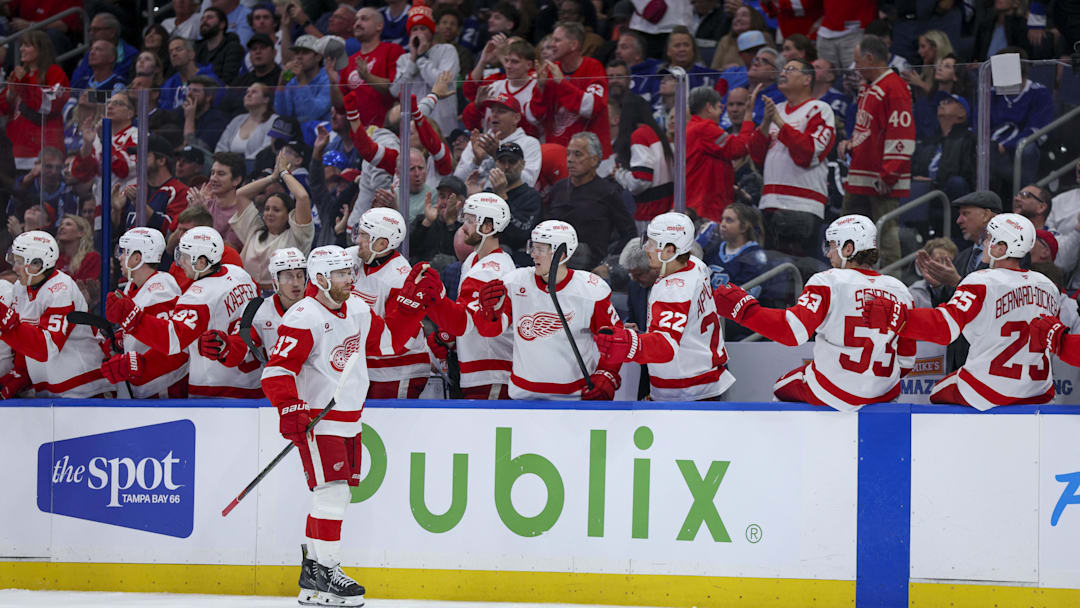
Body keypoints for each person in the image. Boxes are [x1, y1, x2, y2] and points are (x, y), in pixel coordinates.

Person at [260, 244, 432, 607]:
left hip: (350, 419)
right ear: (321, 279)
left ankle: (312, 576)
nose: (350, 279)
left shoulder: (356, 308)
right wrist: (290, 408)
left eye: (349, 272)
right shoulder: (303, 316)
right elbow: (276, 371)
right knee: (333, 494)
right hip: (319, 420)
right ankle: (330, 569)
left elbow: (387, 343)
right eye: (341, 275)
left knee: (329, 495)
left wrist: (411, 309)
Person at [714, 215, 917, 411]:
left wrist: (743, 309)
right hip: (885, 394)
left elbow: (792, 331)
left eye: (832, 246)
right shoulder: (900, 290)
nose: (828, 254)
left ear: (849, 248)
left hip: (833, 392)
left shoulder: (828, 281)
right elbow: (906, 361)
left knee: (781, 388)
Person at [864, 213, 1058, 408]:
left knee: (936, 392)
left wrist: (894, 315)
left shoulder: (981, 281)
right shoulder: (1048, 286)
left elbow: (944, 328)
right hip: (1039, 390)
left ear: (1001, 248)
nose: (984, 243)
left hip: (991, 389)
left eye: (989, 238)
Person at [469, 220, 623, 399]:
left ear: (562, 253)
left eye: (540, 249)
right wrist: (488, 313)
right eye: (532, 247)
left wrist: (607, 374)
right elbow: (490, 331)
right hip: (523, 397)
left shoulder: (590, 290)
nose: (533, 255)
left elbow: (615, 340)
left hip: (574, 400)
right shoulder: (514, 283)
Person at [105, 226, 263, 398]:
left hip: (217, 390)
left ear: (202, 262)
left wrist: (132, 318)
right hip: (253, 384)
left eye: (185, 257)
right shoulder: (240, 275)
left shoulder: (199, 296)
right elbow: (254, 317)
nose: (179, 263)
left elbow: (173, 339)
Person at [596, 212, 734, 401]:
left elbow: (666, 345)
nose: (646, 248)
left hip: (686, 390)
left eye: (652, 243)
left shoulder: (674, 290)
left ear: (670, 250)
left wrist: (629, 343)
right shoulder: (695, 264)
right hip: (701, 377)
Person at [424, 193, 517, 399]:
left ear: (488, 227)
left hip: (490, 373)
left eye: (469, 220)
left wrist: (434, 300)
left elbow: (464, 322)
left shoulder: (489, 271)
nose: (463, 226)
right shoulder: (475, 259)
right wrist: (448, 337)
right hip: (479, 369)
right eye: (464, 219)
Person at [0, 231, 112, 399]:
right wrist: (15, 378)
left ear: (37, 264)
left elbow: (46, 348)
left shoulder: (61, 289)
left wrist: (5, 319)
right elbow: (23, 344)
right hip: (49, 391)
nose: (14, 268)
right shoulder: (20, 288)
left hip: (84, 390)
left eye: (19, 262)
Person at [749, 59, 836, 258]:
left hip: (801, 206)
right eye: (783, 69)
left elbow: (808, 153)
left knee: (796, 272)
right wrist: (765, 124)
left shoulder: (819, 109)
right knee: (773, 275)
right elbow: (757, 157)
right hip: (769, 203)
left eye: (791, 69)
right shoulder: (776, 109)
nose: (783, 73)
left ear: (807, 78)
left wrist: (779, 123)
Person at [840, 35, 914, 269]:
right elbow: (867, 127)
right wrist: (851, 142)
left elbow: (902, 134)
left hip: (881, 179)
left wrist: (889, 174)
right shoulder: (869, 86)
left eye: (857, 61)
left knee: (886, 237)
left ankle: (894, 287)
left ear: (870, 58)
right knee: (847, 232)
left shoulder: (895, 87)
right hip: (861, 173)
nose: (855, 67)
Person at [349, 208, 432, 399]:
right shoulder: (352, 258)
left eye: (364, 235)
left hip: (398, 370)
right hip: (366, 367)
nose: (357, 241)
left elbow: (391, 340)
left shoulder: (400, 278)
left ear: (381, 243)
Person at [100, 228, 189, 398]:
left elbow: (175, 345)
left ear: (137, 258)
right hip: (144, 385)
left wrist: (137, 364)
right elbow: (142, 329)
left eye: (125, 252)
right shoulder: (132, 285)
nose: (120, 257)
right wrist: (121, 339)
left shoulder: (161, 290)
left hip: (167, 385)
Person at [199, 247, 306, 367]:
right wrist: (224, 346)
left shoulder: (319, 307)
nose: (296, 283)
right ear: (275, 280)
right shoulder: (258, 311)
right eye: (289, 277)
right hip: (282, 383)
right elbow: (240, 344)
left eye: (300, 275)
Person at [544, 132, 637, 270]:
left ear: (594, 160)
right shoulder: (558, 189)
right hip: (554, 261)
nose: (570, 159)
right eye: (568, 154)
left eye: (577, 154)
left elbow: (629, 234)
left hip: (589, 267)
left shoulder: (609, 192)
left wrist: (608, 264)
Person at [228, 150, 316, 290]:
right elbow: (240, 195)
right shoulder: (254, 230)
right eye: (267, 208)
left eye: (276, 210)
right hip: (248, 294)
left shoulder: (298, 236)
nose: (269, 213)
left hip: (283, 297)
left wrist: (284, 173)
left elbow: (303, 197)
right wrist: (272, 177)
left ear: (289, 215)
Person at [532, 22, 612, 169]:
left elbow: (592, 107)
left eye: (557, 40)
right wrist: (541, 87)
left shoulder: (593, 67)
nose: (552, 44)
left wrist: (562, 83)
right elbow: (536, 116)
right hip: (557, 155)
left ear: (574, 45)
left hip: (591, 159)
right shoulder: (549, 71)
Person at [685, 85, 755, 222]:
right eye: (719, 107)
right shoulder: (704, 128)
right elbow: (739, 148)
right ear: (709, 107)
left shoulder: (691, 128)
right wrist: (748, 115)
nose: (721, 113)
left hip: (697, 205)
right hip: (704, 209)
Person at [2, 32, 69, 172]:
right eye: (21, 45)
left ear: (41, 49)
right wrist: (10, 94)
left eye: (27, 45)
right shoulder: (18, 75)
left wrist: (23, 83)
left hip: (43, 156)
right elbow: (3, 108)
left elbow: (48, 106)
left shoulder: (55, 73)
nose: (21, 49)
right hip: (15, 152)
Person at [390, 6, 461, 134]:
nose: (418, 33)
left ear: (432, 32)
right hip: (415, 131)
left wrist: (421, 58)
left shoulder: (447, 50)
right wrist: (412, 61)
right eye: (414, 29)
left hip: (444, 129)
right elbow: (395, 91)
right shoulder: (404, 59)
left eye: (423, 29)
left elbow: (440, 84)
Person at [454, 93, 542, 188]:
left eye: (501, 111)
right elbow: (456, 182)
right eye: (492, 111)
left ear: (516, 118)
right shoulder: (479, 141)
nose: (494, 115)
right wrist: (476, 161)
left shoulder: (529, 143)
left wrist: (498, 157)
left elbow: (528, 182)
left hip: (506, 201)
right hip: (474, 200)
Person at [336, 7, 404, 129]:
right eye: (356, 20)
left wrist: (367, 77)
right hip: (360, 135)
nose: (357, 24)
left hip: (388, 132)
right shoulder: (349, 61)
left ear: (379, 26)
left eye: (364, 19)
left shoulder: (393, 50)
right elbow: (340, 107)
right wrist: (332, 82)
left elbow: (396, 89)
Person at [613, 95, 674, 227]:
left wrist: (619, 174)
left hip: (650, 215)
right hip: (667, 211)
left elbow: (641, 181)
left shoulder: (639, 135)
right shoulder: (660, 135)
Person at [187, 152, 247, 250]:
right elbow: (171, 247)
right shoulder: (204, 203)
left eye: (221, 174)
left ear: (236, 180)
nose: (213, 179)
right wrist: (190, 212)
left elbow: (230, 251)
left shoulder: (242, 214)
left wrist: (202, 216)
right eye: (212, 173)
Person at [276, 35, 332, 124]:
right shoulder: (293, 81)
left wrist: (302, 81)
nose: (299, 57)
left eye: (305, 52)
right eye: (297, 53)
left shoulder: (329, 79)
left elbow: (312, 114)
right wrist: (281, 85)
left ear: (318, 57)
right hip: (297, 133)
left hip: (322, 132)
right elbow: (282, 114)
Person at [196, 6, 246, 84]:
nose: (204, 21)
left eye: (209, 18)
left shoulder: (233, 48)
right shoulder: (198, 48)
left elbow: (229, 80)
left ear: (222, 24)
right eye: (202, 18)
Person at [910, 238, 959, 309]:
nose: (943, 266)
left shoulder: (958, 291)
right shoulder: (915, 292)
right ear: (927, 261)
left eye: (949, 261)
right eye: (939, 260)